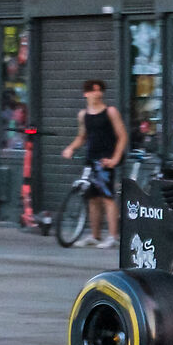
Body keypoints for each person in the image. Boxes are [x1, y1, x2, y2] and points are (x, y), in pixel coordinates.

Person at [59, 78, 125, 246]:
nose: (97, 93)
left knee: (107, 197)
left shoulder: (110, 112)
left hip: (105, 160)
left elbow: (122, 136)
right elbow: (82, 136)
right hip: (91, 159)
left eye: (100, 90)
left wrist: (115, 158)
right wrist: (70, 148)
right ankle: (95, 236)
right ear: (86, 94)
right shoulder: (83, 115)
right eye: (93, 90)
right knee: (92, 198)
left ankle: (112, 236)